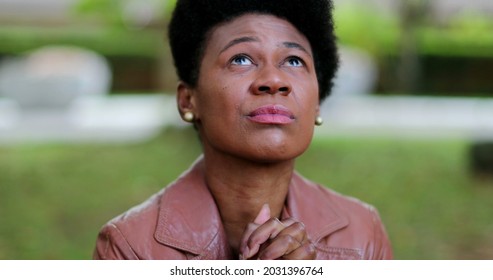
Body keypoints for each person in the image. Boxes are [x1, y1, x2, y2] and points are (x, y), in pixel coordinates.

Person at [93, 0, 393, 260]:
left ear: (317, 104)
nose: (274, 81)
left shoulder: (363, 233)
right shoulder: (129, 247)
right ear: (188, 100)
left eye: (293, 60)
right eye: (241, 59)